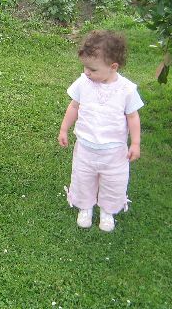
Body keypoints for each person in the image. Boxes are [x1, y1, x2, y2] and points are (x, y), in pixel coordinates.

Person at [58, 30, 143, 232]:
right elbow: (74, 107)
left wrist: (136, 143)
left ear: (113, 67)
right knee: (82, 177)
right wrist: (64, 129)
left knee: (114, 181)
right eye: (85, 67)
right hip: (85, 147)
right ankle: (85, 207)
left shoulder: (127, 90)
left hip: (114, 152)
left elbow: (133, 117)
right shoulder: (83, 83)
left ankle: (108, 211)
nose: (87, 72)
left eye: (93, 69)